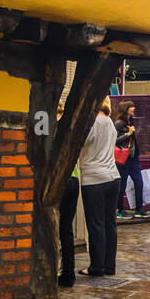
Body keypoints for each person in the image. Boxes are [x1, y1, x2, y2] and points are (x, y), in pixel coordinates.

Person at [77, 98, 121, 278]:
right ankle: (109, 266)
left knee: (95, 224)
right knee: (110, 223)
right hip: (113, 176)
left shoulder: (92, 121)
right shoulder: (109, 122)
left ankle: (96, 267)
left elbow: (82, 142)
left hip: (94, 178)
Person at [55, 104, 80, 288]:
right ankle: (69, 273)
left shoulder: (52, 128)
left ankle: (52, 270)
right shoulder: (71, 130)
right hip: (74, 180)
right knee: (66, 230)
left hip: (59, 180)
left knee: (51, 228)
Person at [114, 101, 150, 221]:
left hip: (133, 157)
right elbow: (114, 141)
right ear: (126, 109)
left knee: (139, 182)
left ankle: (139, 208)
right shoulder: (118, 124)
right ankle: (120, 210)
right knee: (122, 184)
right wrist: (128, 134)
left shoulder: (131, 122)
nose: (134, 108)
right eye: (131, 107)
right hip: (123, 159)